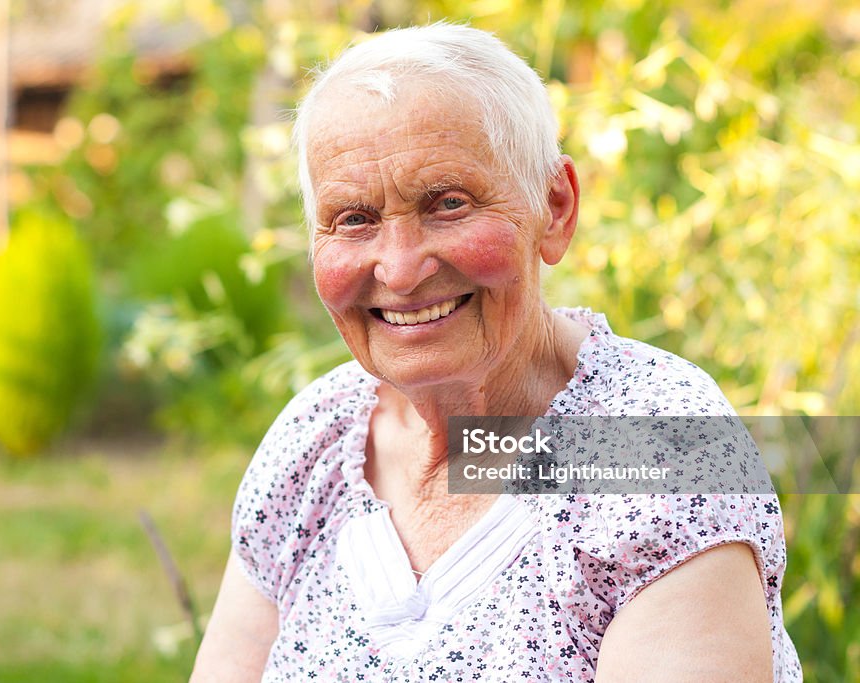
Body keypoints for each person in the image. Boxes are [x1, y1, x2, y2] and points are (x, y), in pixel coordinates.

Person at [192, 24, 801, 682]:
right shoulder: (314, 442)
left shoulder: (662, 448)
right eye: (354, 218)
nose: (398, 270)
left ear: (556, 207)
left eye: (449, 204)